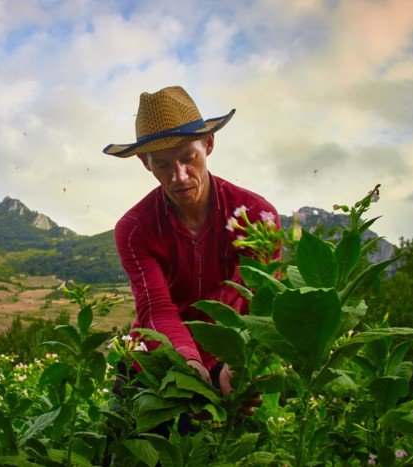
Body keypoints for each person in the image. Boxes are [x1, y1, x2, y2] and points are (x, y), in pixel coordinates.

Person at [103, 85, 280, 399]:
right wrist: (186, 360)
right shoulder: (134, 229)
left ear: (208, 144)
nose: (180, 176)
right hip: (154, 361)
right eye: (162, 165)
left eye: (189, 158)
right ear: (145, 163)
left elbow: (262, 302)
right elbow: (156, 308)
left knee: (218, 445)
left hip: (225, 363)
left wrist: (238, 364)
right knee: (124, 443)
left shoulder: (257, 216)